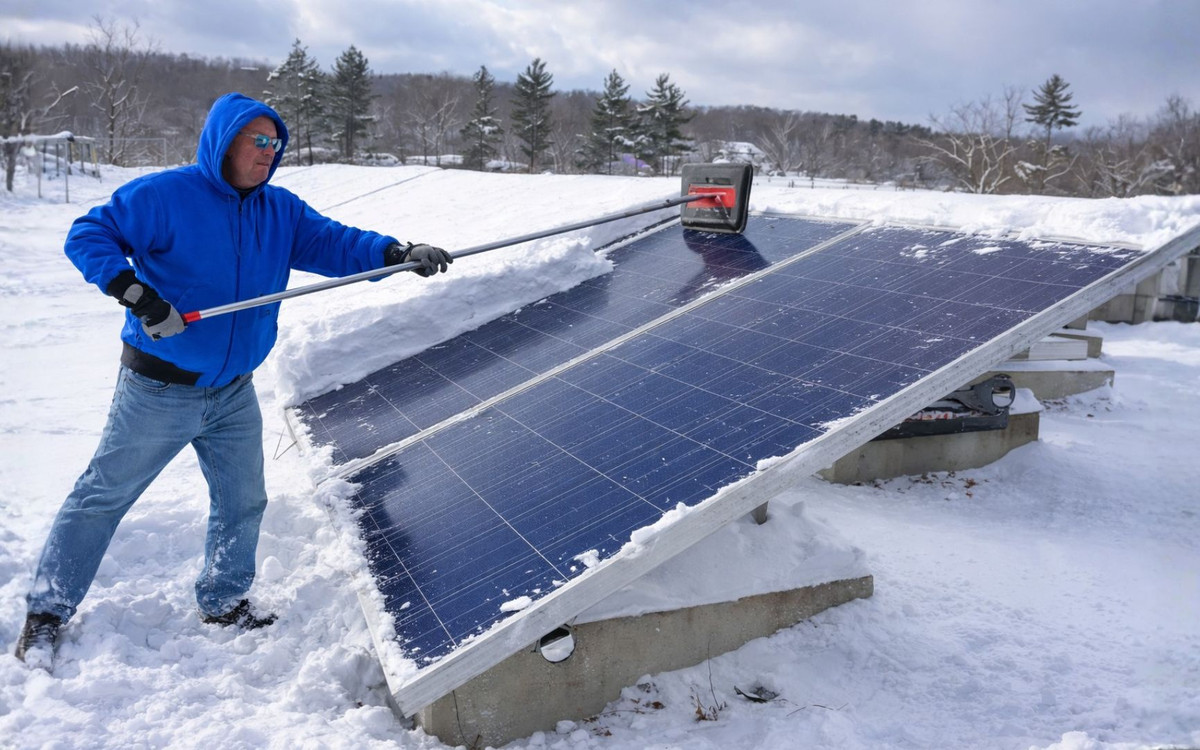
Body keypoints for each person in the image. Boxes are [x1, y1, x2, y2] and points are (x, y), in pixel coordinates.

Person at [14, 92, 452, 668]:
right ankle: (46, 613)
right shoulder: (164, 196)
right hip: (158, 390)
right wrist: (138, 294)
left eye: (276, 143)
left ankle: (222, 601)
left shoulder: (281, 210)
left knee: (242, 500)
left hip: (233, 392)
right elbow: (89, 234)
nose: (269, 153)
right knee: (103, 496)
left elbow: (337, 243)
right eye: (258, 141)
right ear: (225, 142)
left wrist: (397, 252)